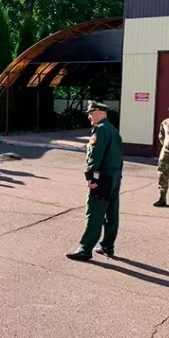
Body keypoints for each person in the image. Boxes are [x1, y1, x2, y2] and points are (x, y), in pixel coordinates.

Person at [66, 101, 123, 262]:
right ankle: (107, 245)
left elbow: (95, 156)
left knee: (95, 212)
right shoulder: (113, 130)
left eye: (90, 113)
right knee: (112, 212)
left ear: (99, 112)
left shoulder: (100, 130)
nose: (89, 116)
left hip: (103, 176)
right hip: (115, 176)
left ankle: (85, 249)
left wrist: (90, 176)